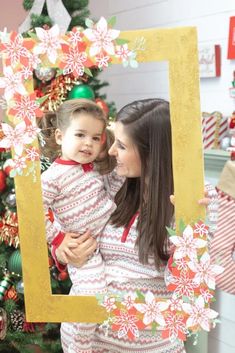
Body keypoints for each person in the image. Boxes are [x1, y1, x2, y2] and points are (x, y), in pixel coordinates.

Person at [55, 98, 215, 353]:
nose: (109, 152)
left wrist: (192, 226)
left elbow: (190, 288)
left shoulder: (192, 200)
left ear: (150, 151)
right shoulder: (109, 185)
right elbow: (66, 217)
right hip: (88, 344)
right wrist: (62, 250)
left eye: (121, 145)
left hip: (152, 346)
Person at [39, 98, 124, 353]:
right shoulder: (52, 177)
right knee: (92, 293)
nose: (89, 143)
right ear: (59, 136)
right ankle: (78, 343)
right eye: (80, 135)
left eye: (96, 138)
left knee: (106, 292)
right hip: (85, 249)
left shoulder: (93, 168)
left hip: (107, 234)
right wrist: (58, 239)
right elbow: (34, 211)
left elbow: (114, 186)